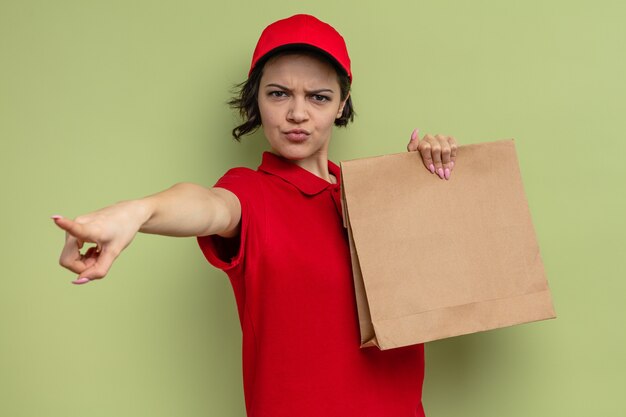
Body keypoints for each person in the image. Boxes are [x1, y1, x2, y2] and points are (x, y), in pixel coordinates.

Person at [53, 14, 458, 417]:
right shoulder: (252, 192)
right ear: (257, 99)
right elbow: (208, 206)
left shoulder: (375, 197)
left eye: (318, 97)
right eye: (279, 94)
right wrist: (136, 213)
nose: (297, 113)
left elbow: (450, 281)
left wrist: (426, 186)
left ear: (341, 105)